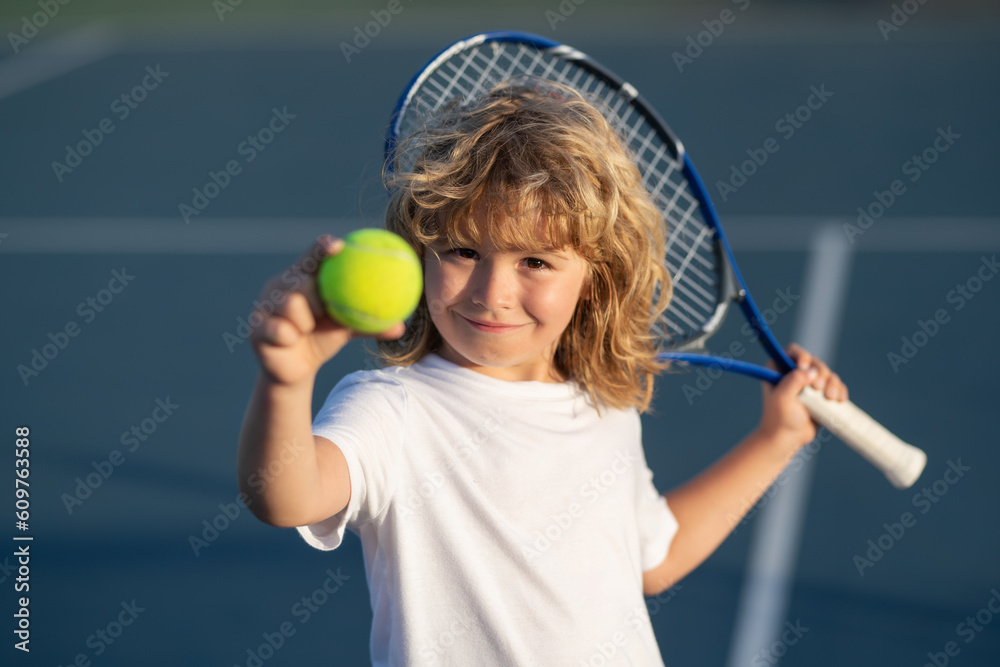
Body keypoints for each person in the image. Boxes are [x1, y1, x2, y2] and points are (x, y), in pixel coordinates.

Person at [236, 81, 847, 665]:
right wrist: (287, 381)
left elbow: (651, 559)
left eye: (535, 260)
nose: (491, 293)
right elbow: (287, 495)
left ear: (595, 278)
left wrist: (778, 438)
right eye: (461, 251)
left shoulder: (604, 409)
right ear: (420, 249)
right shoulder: (392, 408)